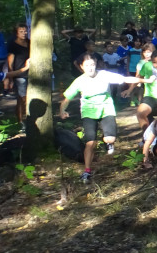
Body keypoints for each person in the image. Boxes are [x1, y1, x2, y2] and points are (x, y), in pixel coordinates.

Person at [59, 53, 144, 184]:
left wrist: (143, 80)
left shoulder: (104, 74)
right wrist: (62, 110)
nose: (90, 68)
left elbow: (125, 79)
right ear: (81, 67)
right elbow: (67, 98)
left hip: (106, 109)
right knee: (90, 143)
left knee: (110, 139)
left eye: (92, 64)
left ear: (96, 64)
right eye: (87, 65)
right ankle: (87, 171)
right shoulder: (79, 81)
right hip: (89, 112)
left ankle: (107, 142)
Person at [6, 23, 31, 124]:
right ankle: (20, 121)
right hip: (19, 74)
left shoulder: (30, 42)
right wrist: (11, 78)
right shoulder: (13, 44)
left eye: (25, 31)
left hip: (31, 74)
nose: (24, 33)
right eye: (21, 31)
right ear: (16, 33)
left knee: (29, 97)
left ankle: (28, 120)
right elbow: (10, 62)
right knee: (22, 99)